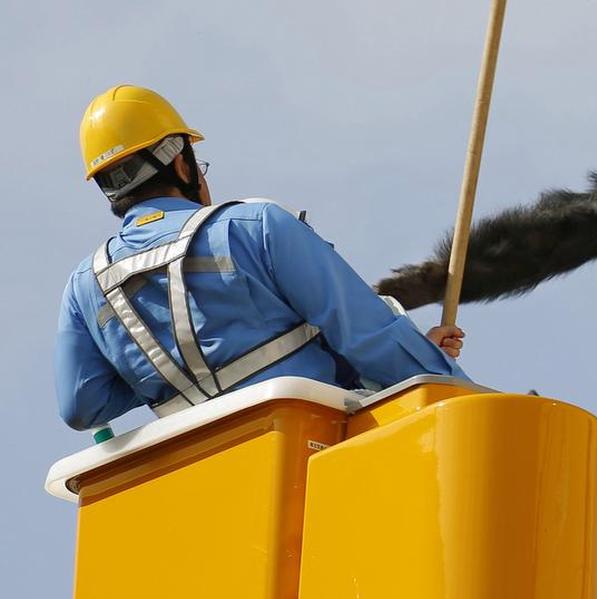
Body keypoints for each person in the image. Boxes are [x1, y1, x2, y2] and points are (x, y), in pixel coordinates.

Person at [55, 85, 467, 430]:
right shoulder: (253, 227)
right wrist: (445, 382)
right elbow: (367, 335)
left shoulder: (85, 286)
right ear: (181, 164)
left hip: (201, 473)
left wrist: (155, 370)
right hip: (307, 446)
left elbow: (82, 405)